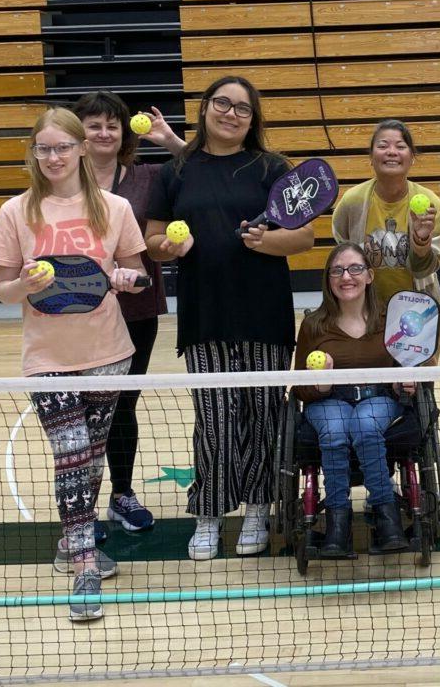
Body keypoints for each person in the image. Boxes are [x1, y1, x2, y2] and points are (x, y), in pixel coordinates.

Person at [0, 108, 149, 620]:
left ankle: (72, 537)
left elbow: (140, 273)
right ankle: (83, 565)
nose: (53, 157)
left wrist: (127, 279)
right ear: (33, 153)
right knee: (71, 453)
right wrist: (23, 287)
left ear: (81, 148)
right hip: (47, 359)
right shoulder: (16, 212)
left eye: (62, 147)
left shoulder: (115, 207)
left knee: (91, 457)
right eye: (43, 148)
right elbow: (1, 290)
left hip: (109, 353)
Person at [145, 76, 314, 561]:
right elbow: (154, 241)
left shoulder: (272, 169)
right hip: (205, 314)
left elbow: (303, 238)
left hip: (264, 312)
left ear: (252, 119)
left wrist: (267, 242)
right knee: (214, 420)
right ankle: (210, 513)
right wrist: (168, 247)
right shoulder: (175, 171)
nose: (231, 113)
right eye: (223, 103)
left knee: (263, 417)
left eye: (242, 108)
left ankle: (259, 509)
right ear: (205, 108)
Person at [72, 90, 186, 535]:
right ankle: (83, 505)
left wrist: (170, 140)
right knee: (82, 412)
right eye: (94, 124)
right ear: (78, 133)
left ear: (124, 133)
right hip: (74, 313)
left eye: (112, 125)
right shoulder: (62, 179)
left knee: (122, 406)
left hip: (137, 309)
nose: (103, 132)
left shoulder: (150, 177)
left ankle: (121, 494)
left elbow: (200, 168)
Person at [292, 242, 411, 557]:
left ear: (370, 276)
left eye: (355, 268)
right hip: (328, 401)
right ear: (329, 279)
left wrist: (407, 380)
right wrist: (320, 384)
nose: (347, 276)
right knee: (333, 431)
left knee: (365, 424)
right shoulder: (314, 325)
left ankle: (388, 521)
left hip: (379, 397)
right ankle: (337, 527)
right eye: (337, 270)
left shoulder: (390, 320)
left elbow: (411, 365)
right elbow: (297, 388)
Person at [331, 119, 440, 307]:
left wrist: (421, 241)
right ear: (371, 156)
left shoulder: (430, 204)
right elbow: (343, 256)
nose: (391, 152)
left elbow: (422, 271)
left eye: (400, 146)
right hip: (363, 307)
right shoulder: (352, 201)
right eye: (383, 146)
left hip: (416, 307)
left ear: (412, 157)